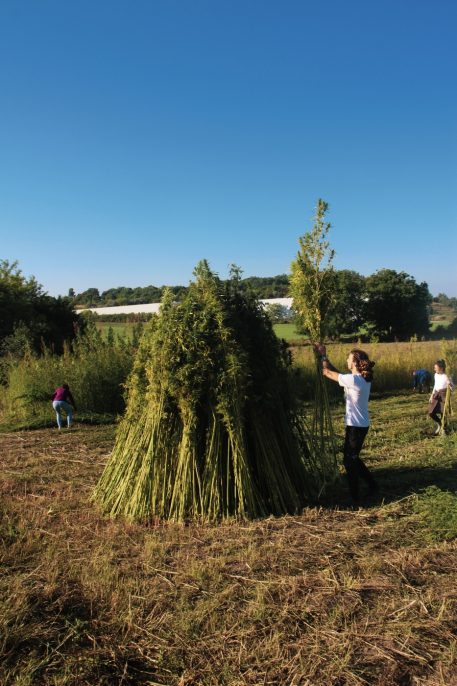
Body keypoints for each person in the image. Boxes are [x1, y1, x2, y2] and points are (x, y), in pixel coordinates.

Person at [315, 344, 378, 506]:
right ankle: (372, 486)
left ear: (355, 363)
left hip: (356, 426)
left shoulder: (355, 380)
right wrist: (325, 356)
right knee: (353, 458)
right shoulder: (359, 378)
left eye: (349, 358)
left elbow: (327, 372)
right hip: (358, 425)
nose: (346, 360)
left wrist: (322, 355)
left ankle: (355, 497)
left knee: (349, 461)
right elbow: (337, 373)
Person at [428, 359, 454, 435]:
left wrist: (450, 383)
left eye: (436, 368)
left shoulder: (447, 376)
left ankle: (443, 429)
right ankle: (440, 424)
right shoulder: (435, 375)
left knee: (443, 413)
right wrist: (431, 396)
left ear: (441, 368)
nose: (434, 369)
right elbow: (435, 385)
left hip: (444, 395)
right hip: (436, 394)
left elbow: (453, 388)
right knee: (431, 412)